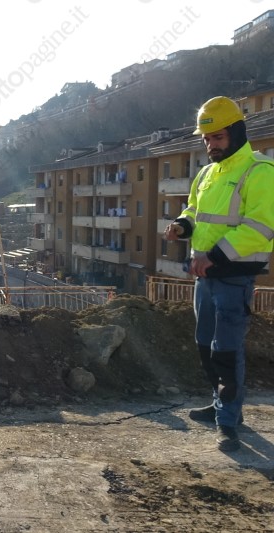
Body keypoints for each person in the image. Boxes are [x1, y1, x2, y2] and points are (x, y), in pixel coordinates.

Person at [164, 96, 274, 452]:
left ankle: (228, 422)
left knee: (226, 350)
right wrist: (182, 225)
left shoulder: (260, 171)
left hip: (233, 277)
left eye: (218, 138)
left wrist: (213, 257)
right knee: (205, 345)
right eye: (207, 139)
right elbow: (194, 209)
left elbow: (260, 228)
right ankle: (219, 404)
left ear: (237, 133)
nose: (211, 145)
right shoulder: (207, 173)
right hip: (205, 276)